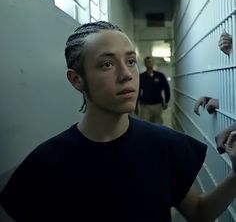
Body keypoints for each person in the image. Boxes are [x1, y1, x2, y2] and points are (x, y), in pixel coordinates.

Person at [1, 21, 236, 222]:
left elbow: (199, 212)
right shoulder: (46, 163)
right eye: (107, 64)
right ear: (76, 80)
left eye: (131, 61)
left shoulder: (165, 145)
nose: (126, 75)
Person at [137, 56, 170, 124]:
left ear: (153, 63)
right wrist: (136, 104)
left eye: (151, 61)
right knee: (145, 125)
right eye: (148, 62)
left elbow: (166, 88)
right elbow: (138, 91)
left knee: (157, 125)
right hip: (145, 105)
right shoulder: (141, 77)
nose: (149, 63)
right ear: (145, 64)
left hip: (157, 104)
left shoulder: (160, 76)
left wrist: (166, 101)